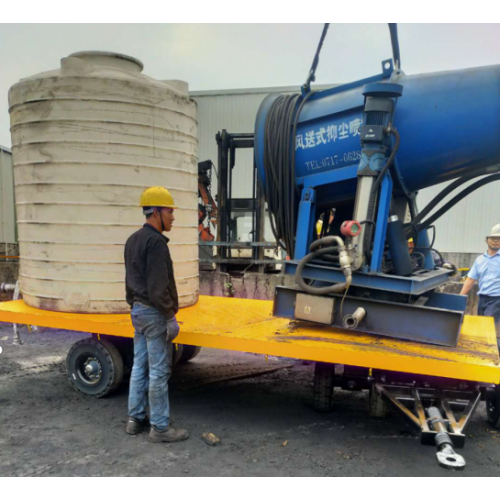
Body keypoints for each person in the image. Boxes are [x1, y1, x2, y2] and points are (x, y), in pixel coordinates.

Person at [124, 186, 189, 443]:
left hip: (138, 311)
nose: (173, 217)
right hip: (153, 314)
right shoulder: (157, 243)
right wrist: (170, 317)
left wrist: (134, 305)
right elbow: (158, 287)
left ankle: (135, 419)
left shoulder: (132, 240)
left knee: (139, 366)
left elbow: (129, 281)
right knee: (159, 372)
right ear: (156, 212)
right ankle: (160, 428)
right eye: (170, 211)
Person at [460, 224, 500, 336]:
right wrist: (460, 296)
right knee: (481, 324)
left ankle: (487, 351)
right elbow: (470, 279)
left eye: (499, 239)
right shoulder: (480, 260)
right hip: (482, 297)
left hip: (497, 298)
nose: (496, 241)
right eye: (493, 238)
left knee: (486, 325)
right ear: (486, 240)